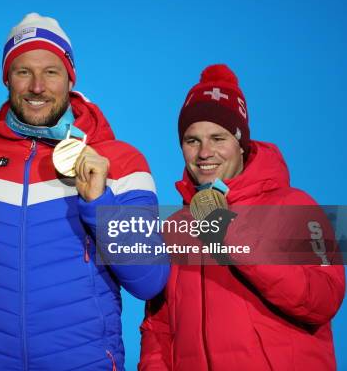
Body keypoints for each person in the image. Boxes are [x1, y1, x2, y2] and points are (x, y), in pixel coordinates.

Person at [0, 13, 169, 371]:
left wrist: (98, 203)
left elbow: (149, 280)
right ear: (6, 79)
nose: (37, 86)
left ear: (69, 78)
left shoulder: (122, 161)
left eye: (51, 71)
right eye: (23, 71)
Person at [138, 64, 345, 370]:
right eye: (192, 140)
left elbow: (323, 300)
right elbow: (158, 327)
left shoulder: (296, 205)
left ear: (240, 142)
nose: (204, 153)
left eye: (218, 138)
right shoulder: (175, 228)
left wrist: (231, 234)